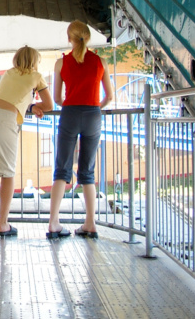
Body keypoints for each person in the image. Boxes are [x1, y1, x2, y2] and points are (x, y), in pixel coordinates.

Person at [0, 46, 53, 236]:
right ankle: (3, 223)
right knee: (7, 172)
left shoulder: (9, 73)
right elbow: (49, 105)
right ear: (35, 61)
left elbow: (13, 96)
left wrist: (29, 106)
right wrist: (34, 106)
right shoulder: (37, 76)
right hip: (5, 119)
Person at [47, 21, 114, 239]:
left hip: (70, 114)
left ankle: (54, 223)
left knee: (62, 168)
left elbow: (57, 98)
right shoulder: (100, 61)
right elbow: (110, 96)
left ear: (69, 39)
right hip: (93, 115)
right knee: (87, 171)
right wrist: (95, 107)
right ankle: (90, 223)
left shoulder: (61, 63)